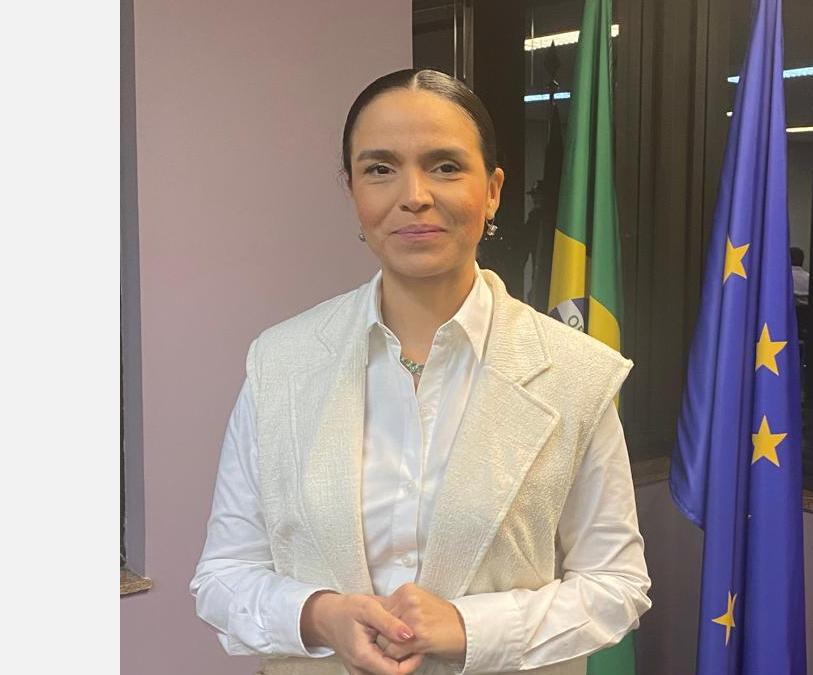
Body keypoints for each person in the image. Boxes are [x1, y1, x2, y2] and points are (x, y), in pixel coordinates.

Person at [190, 69, 651, 675]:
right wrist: (320, 615)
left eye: (445, 166)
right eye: (380, 168)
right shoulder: (280, 363)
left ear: (493, 190)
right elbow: (223, 575)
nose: (413, 195)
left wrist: (469, 627)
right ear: (352, 190)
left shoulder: (575, 374)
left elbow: (617, 585)